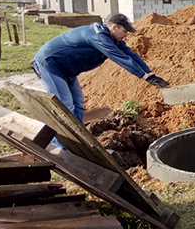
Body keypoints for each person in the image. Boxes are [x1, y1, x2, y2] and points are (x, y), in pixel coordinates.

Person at [32, 13, 169, 146]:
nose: (126, 35)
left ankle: (78, 137)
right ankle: (61, 144)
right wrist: (143, 76)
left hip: (67, 68)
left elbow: (130, 55)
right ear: (114, 27)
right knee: (65, 105)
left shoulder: (113, 38)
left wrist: (150, 75)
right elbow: (120, 58)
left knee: (78, 102)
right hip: (50, 63)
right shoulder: (98, 36)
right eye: (125, 31)